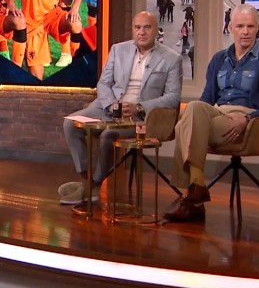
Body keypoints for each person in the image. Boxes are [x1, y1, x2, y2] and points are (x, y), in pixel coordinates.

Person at [164, 4, 259, 222]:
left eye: (250, 26)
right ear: (230, 27)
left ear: (257, 27)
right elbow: (207, 98)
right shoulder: (219, 59)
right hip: (217, 113)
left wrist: (248, 118)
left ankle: (193, 196)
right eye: (240, 26)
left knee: (184, 126)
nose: (245, 32)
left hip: (245, 118)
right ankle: (196, 188)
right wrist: (193, 117)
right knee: (193, 107)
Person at [60, 11, 182, 205]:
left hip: (141, 118)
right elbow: (103, 83)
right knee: (70, 124)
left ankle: (95, 185)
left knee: (108, 135)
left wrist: (139, 107)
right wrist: (112, 105)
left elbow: (173, 98)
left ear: (156, 30)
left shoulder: (171, 59)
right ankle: (85, 181)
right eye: (137, 28)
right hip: (108, 107)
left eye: (147, 27)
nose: (141, 32)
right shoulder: (118, 50)